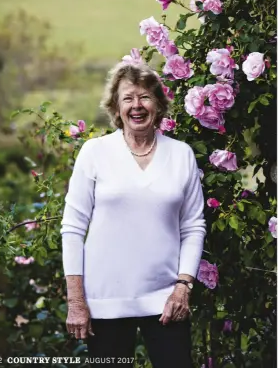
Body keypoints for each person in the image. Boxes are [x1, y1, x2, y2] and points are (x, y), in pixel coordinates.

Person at [61, 61, 206, 367]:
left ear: (158, 104)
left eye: (145, 97)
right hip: (105, 303)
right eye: (128, 98)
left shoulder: (181, 155)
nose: (136, 106)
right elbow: (73, 229)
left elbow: (193, 226)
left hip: (167, 301)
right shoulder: (95, 153)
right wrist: (76, 301)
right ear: (116, 106)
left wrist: (183, 287)